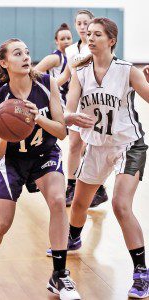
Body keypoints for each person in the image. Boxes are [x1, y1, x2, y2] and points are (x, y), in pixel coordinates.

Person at [0, 38, 84, 300]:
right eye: (18, 54)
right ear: (5, 63)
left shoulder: (47, 84)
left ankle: (59, 275)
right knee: (3, 222)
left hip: (44, 155)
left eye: (27, 52)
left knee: (59, 201)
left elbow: (61, 132)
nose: (26, 57)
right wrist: (7, 131)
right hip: (13, 162)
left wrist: (37, 118)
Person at [65, 17, 149, 298]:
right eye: (88, 34)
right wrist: (69, 116)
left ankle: (141, 273)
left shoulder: (128, 71)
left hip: (128, 145)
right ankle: (73, 238)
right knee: (78, 203)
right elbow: (69, 107)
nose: (90, 38)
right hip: (97, 146)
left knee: (120, 204)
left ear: (111, 40)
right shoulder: (81, 71)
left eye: (97, 34)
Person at [57, 10, 108, 208]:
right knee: (73, 145)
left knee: (93, 147)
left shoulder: (98, 47)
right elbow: (64, 77)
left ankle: (99, 187)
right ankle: (71, 186)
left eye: (86, 22)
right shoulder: (71, 51)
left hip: (96, 103)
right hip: (76, 102)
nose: (82, 26)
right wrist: (41, 83)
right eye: (79, 23)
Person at [35, 23, 73, 108]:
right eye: (62, 39)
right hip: (54, 99)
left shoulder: (68, 57)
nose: (66, 41)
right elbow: (33, 73)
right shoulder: (55, 57)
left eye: (68, 38)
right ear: (56, 41)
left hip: (64, 98)